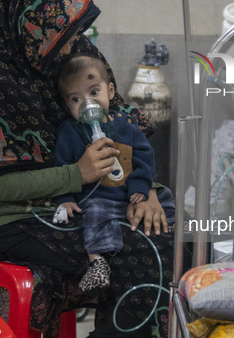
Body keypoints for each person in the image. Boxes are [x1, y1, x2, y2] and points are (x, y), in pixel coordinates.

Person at [0, 0, 187, 338]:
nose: (75, 43)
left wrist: (146, 192)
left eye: (77, 30)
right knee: (136, 245)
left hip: (87, 200)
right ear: (32, 26)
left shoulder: (73, 52)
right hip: (11, 220)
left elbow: (122, 129)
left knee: (164, 227)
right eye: (64, 32)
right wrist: (77, 174)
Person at [52, 53, 175, 294]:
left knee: (167, 199)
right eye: (77, 99)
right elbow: (62, 167)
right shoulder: (69, 133)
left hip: (131, 197)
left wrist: (140, 187)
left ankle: (164, 229)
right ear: (68, 106)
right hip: (101, 200)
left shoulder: (126, 126)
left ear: (110, 91)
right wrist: (65, 199)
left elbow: (145, 158)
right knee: (93, 214)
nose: (88, 104)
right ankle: (97, 262)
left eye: (94, 92)